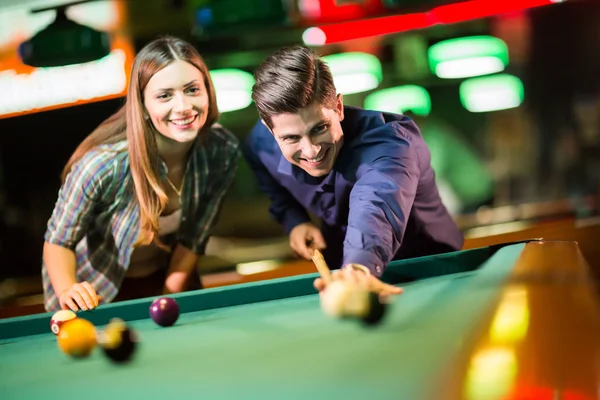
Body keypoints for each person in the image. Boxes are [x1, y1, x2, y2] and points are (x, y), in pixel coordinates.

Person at [242, 46, 463, 296]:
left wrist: (358, 268)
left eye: (319, 128)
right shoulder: (263, 143)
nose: (311, 150)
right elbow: (261, 164)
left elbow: (375, 204)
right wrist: (295, 220)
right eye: (292, 138)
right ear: (270, 131)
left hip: (433, 271)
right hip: (345, 272)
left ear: (338, 106)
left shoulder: (391, 143)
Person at [42, 36, 240, 312]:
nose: (183, 107)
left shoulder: (222, 150)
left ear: (208, 91)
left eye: (192, 90)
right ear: (143, 106)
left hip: (170, 277)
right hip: (95, 291)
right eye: (164, 95)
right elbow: (58, 241)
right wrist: (68, 290)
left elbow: (193, 238)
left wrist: (166, 297)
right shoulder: (102, 165)